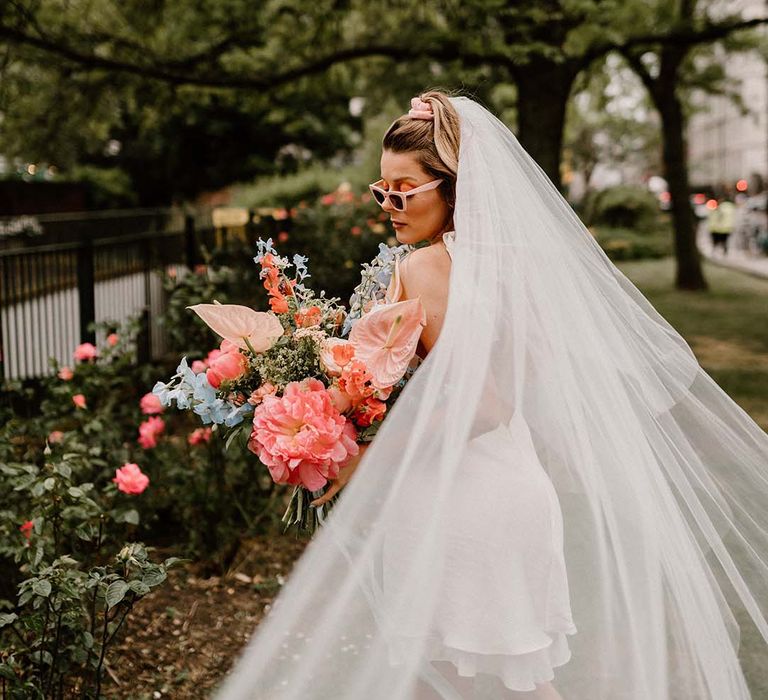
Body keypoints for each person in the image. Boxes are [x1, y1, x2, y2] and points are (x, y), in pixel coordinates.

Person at [213, 91, 768, 699]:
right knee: (486, 685)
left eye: (405, 189)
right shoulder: (500, 264)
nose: (390, 205)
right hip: (502, 488)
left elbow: (486, 401)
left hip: (464, 501)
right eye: (382, 189)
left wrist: (367, 458)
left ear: (452, 186)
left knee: (483, 686)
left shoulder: (427, 268)